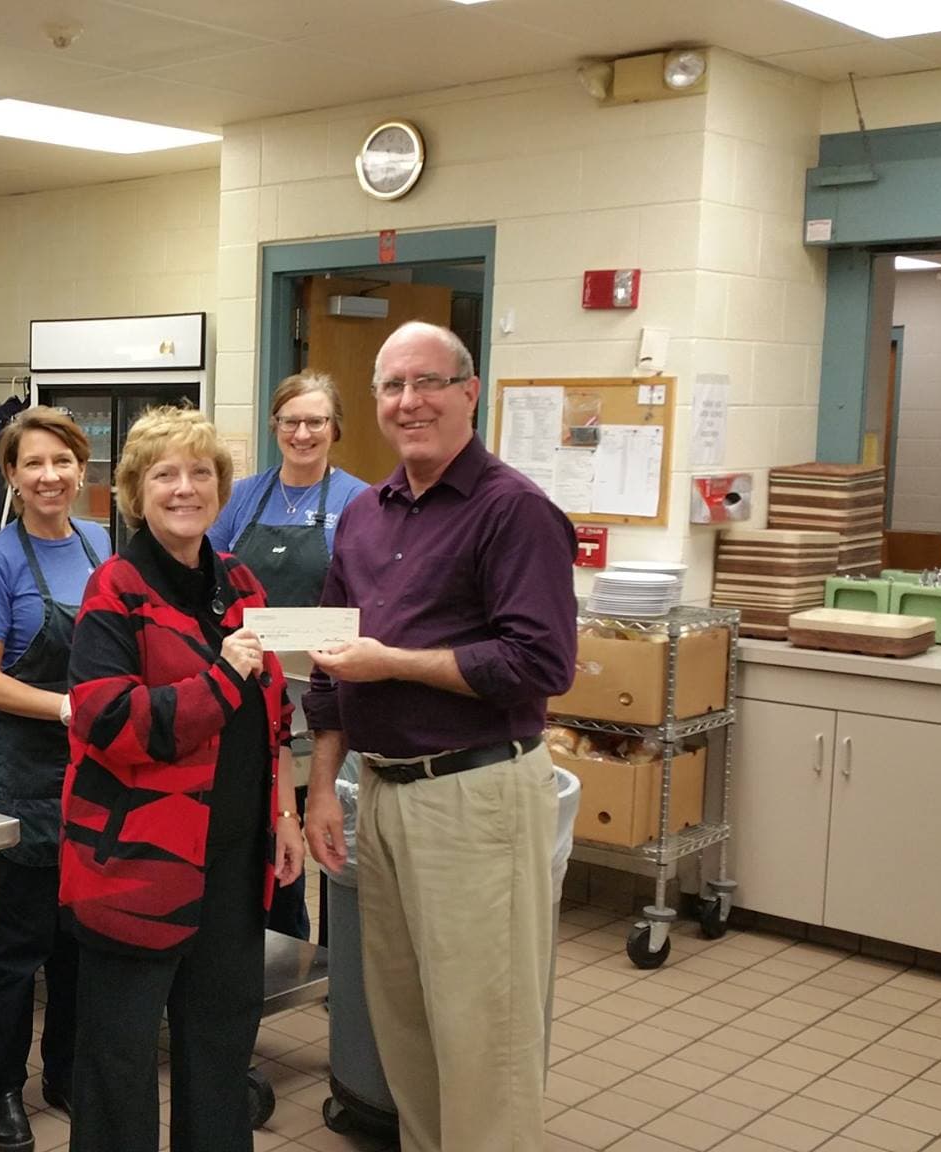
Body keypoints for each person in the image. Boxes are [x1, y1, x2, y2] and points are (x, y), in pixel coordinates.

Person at [302, 321, 578, 1152]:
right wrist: (322, 785)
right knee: (406, 1021)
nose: (409, 402)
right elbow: (329, 659)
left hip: (476, 797)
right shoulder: (364, 514)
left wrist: (395, 662)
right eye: (392, 386)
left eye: (427, 383)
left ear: (469, 392)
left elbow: (539, 663)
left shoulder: (513, 511)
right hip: (381, 794)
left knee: (483, 1029)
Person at [61, 405, 304, 1152]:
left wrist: (286, 816)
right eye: (165, 473)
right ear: (135, 490)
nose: (185, 488)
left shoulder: (240, 582)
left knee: (221, 1047)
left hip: (232, 863)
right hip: (135, 865)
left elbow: (274, 719)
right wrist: (222, 678)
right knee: (120, 1060)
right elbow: (109, 724)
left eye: (201, 472)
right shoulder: (116, 588)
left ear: (221, 489)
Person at [0, 408, 112, 1152]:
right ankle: (1, 1087)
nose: (49, 476)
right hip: (26, 769)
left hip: (97, 774)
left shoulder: (102, 546)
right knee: (21, 941)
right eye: (32, 464)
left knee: (81, 935)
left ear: (81, 469)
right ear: (11, 476)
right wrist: (65, 706)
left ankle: (65, 1071)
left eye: (62, 462)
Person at [207, 371, 366, 941]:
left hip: (325, 688)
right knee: (271, 813)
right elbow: (213, 574)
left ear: (335, 428)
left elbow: (368, 594)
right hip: (250, 683)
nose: (303, 433)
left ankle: (335, 954)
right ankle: (279, 938)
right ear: (275, 426)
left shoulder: (358, 501)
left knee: (327, 813)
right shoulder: (245, 496)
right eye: (291, 421)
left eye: (315, 421)